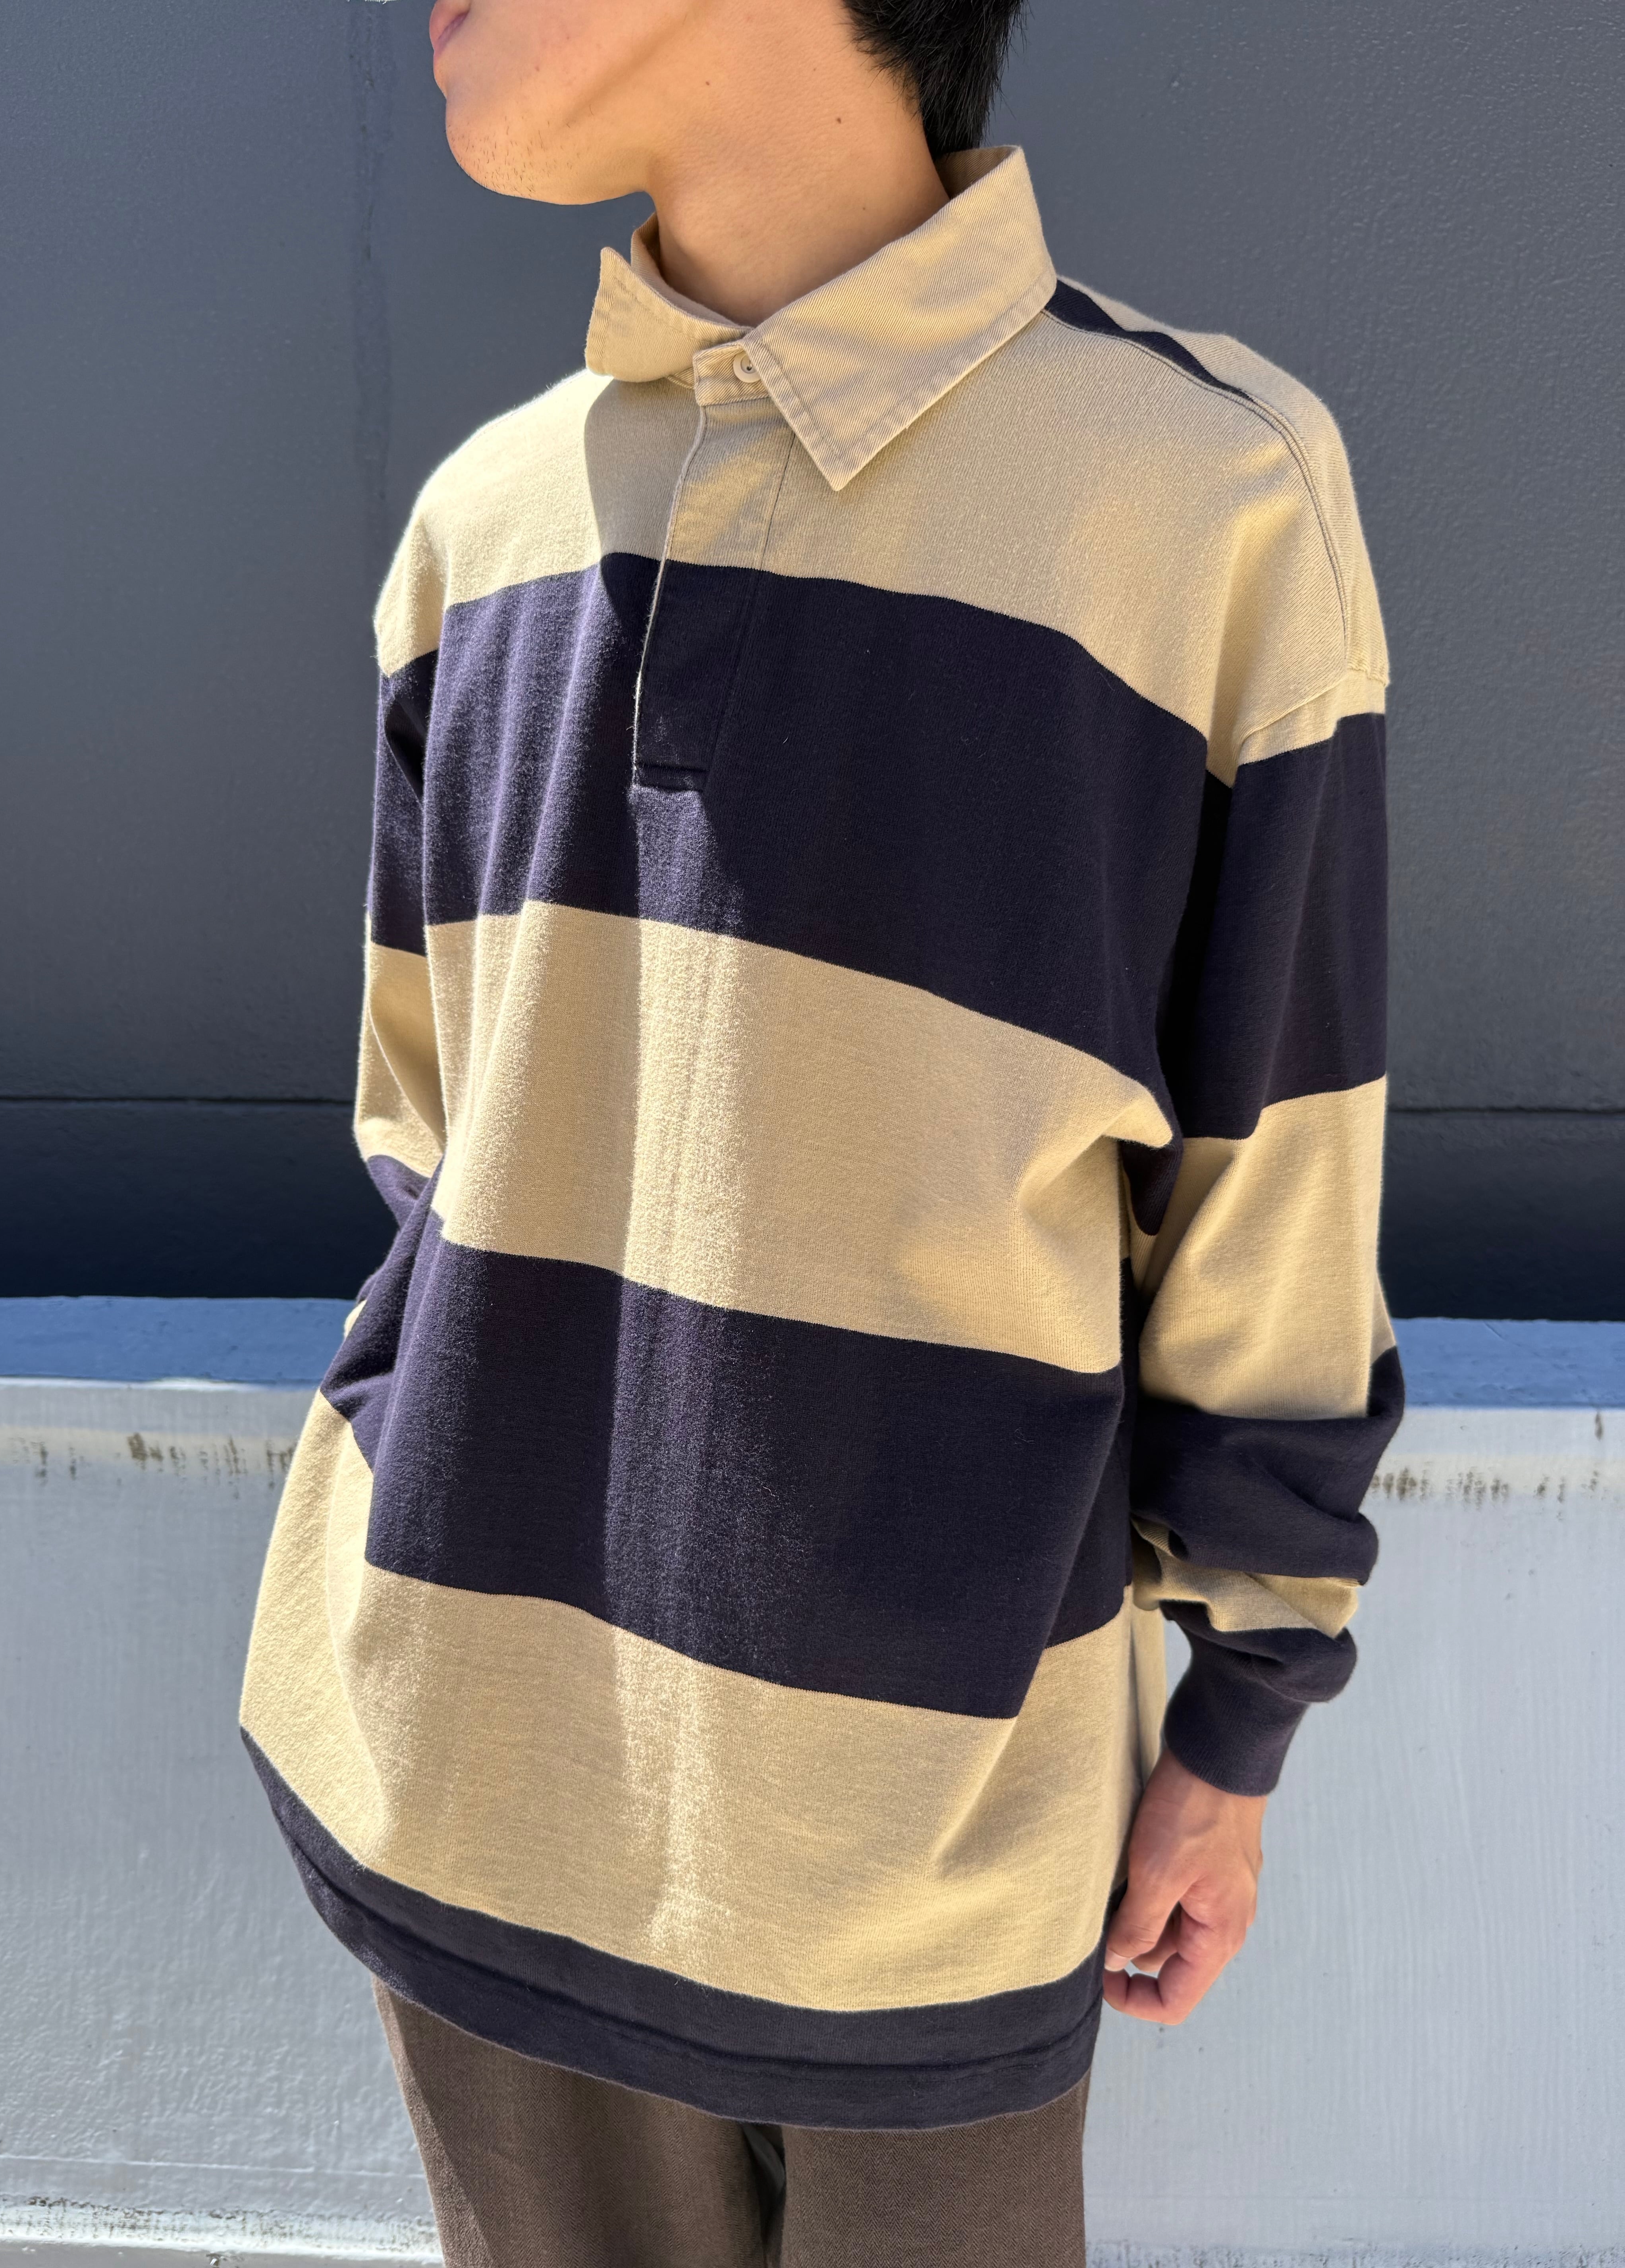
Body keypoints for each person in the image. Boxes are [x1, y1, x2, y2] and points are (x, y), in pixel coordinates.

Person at [240, 0, 1403, 2258]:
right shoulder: (486, 522)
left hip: (926, 1866)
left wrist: (1244, 1705)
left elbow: (1282, 1164)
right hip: (458, 1791)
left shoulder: (1205, 498)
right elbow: (426, 1144)